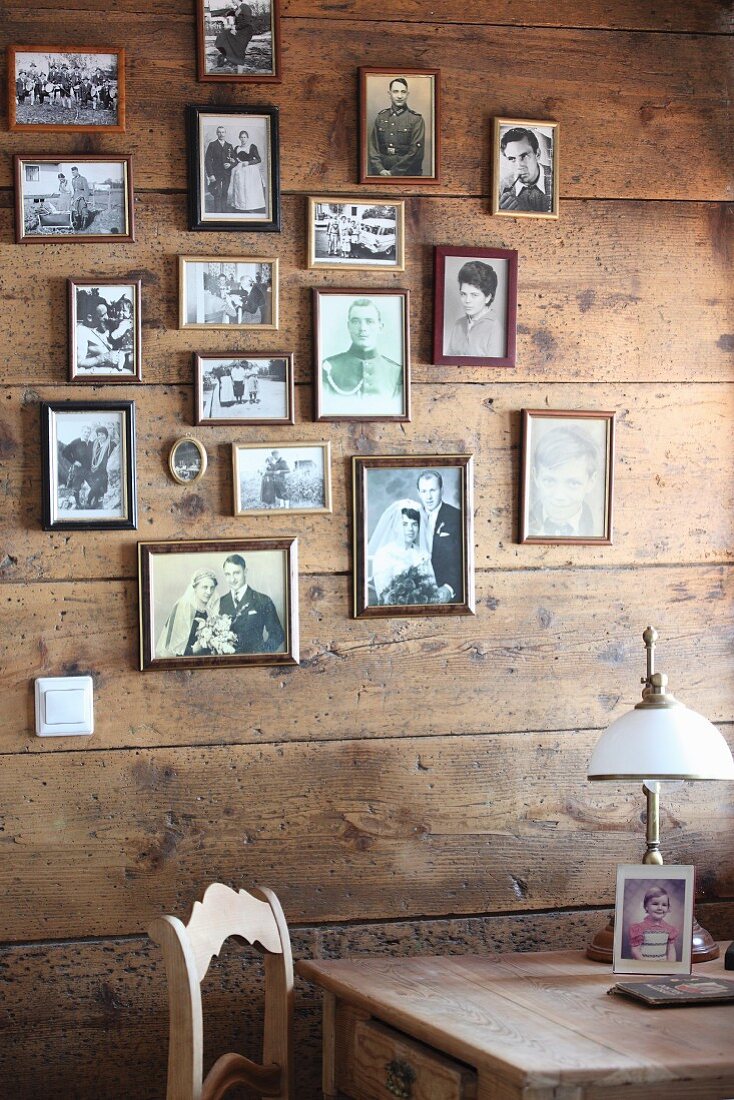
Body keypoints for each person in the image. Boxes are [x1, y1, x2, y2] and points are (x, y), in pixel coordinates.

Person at [321, 298, 403, 412]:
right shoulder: (328, 367)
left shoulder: (396, 372)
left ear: (380, 327)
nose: (362, 328)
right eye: (355, 321)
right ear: (348, 326)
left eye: (369, 321)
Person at [528, 425, 599, 537]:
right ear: (536, 477)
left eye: (573, 483)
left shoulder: (600, 529)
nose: (559, 496)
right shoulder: (524, 525)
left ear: (591, 482)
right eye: (549, 481)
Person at [368, 499, 437, 605]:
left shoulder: (422, 554)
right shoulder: (384, 555)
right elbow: (384, 594)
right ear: (395, 526)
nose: (410, 529)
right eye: (404, 524)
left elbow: (432, 587)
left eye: (414, 524)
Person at [218, 554, 285, 653]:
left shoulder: (263, 600)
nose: (232, 579)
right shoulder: (220, 602)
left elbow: (278, 634)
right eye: (228, 574)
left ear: (245, 572)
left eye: (236, 573)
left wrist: (261, 654)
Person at [416, 470, 463, 602]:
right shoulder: (412, 519)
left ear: (441, 490)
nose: (428, 497)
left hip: (448, 593)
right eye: (424, 491)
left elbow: (464, 558)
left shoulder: (457, 517)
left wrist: (449, 588)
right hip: (418, 592)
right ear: (419, 493)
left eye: (433, 490)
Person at [156, 569, 221, 658]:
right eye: (205, 587)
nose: (209, 592)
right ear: (195, 588)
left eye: (212, 587)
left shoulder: (209, 611)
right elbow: (170, 646)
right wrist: (193, 650)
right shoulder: (183, 606)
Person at [368, 77, 425, 177]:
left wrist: (393, 173)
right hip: (381, 172)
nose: (399, 96)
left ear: (407, 94)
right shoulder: (381, 117)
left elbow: (415, 153)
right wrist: (380, 169)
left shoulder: (416, 119)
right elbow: (373, 147)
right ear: (389, 94)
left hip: (406, 174)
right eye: (395, 92)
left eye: (403, 92)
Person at [446, 260, 503, 358]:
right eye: (463, 294)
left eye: (474, 295)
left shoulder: (496, 328)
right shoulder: (458, 324)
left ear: (488, 297)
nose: (467, 300)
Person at [499, 126, 553, 214]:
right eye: (512, 159)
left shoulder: (556, 179)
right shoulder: (501, 188)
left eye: (524, 156)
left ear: (538, 154)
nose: (519, 165)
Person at [628, 886, 679, 962]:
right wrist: (647, 965)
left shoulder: (669, 929)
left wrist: (670, 966)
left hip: (662, 966)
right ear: (646, 907)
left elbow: (671, 949)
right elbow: (635, 950)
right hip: (643, 965)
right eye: (655, 904)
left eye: (664, 905)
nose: (660, 908)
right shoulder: (639, 928)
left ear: (668, 908)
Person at [76, 303, 126, 372]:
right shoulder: (81, 331)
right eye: (103, 315)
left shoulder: (102, 325)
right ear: (89, 318)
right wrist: (103, 358)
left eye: (107, 313)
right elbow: (79, 362)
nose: (107, 317)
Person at [227, 130, 266, 213]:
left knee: (249, 188)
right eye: (241, 137)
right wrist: (232, 161)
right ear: (239, 138)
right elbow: (236, 161)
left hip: (250, 170)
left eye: (244, 137)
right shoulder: (236, 148)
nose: (243, 139)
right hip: (240, 170)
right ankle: (240, 205)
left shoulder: (252, 147)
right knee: (240, 187)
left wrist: (248, 162)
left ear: (247, 138)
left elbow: (259, 159)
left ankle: (251, 206)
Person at [213, 3, 256, 73]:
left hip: (245, 32)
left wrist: (235, 28)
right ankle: (228, 56)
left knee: (239, 51)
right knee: (223, 36)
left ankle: (239, 73)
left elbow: (246, 22)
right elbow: (238, 20)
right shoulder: (238, 8)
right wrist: (233, 27)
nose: (232, 1)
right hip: (240, 30)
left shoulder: (244, 7)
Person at [204, 125, 236, 213]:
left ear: (225, 133)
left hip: (227, 173)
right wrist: (210, 175)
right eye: (219, 132)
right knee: (217, 193)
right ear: (216, 133)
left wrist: (230, 165)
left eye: (223, 132)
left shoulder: (229, 146)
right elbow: (207, 160)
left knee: (224, 192)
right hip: (216, 173)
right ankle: (217, 214)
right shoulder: (212, 145)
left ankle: (224, 213)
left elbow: (235, 160)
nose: (221, 134)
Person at [61, 426, 93, 508]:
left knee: (94, 485)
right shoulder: (76, 442)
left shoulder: (91, 443)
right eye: (85, 432)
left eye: (88, 432)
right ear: (82, 432)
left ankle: (90, 503)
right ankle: (78, 504)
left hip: (89, 470)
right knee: (76, 488)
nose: (86, 434)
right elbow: (64, 452)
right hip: (78, 470)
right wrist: (74, 461)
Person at [86, 426, 116, 509]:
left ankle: (89, 501)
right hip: (95, 471)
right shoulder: (95, 445)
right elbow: (87, 445)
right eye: (98, 435)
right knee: (94, 483)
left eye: (102, 434)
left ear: (106, 435)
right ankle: (96, 502)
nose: (100, 436)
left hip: (105, 472)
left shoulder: (111, 445)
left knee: (96, 486)